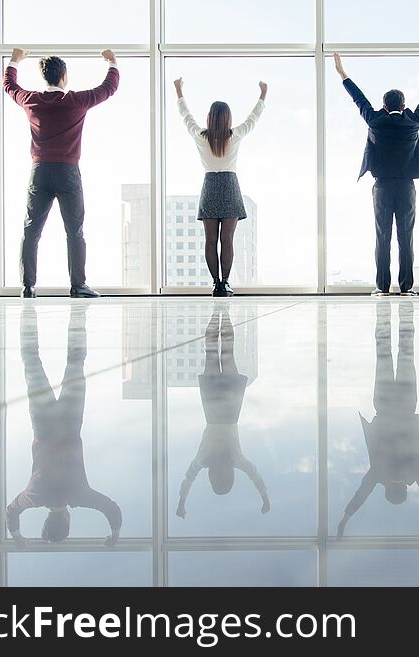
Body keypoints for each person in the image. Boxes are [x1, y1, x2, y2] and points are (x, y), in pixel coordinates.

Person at [4, 48, 120, 299]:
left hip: (41, 171)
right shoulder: (75, 101)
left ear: (45, 77)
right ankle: (78, 286)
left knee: (31, 230)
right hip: (67, 172)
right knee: (74, 230)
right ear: (64, 77)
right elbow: (108, 88)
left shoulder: (31, 100)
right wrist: (111, 62)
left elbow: (9, 86)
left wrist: (14, 59)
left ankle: (28, 287)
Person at [333, 53, 419, 297]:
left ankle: (383, 287)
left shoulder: (375, 120)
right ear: (404, 106)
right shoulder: (413, 121)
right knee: (406, 237)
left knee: (382, 236)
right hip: (407, 188)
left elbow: (359, 99)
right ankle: (406, 288)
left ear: (384, 106)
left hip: (382, 188)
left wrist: (343, 74)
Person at [6, 304, 122, 547]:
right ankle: (28, 305)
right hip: (43, 423)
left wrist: (115, 535)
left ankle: (77, 308)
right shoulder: (33, 497)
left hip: (70, 422)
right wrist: (17, 537)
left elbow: (112, 509)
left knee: (76, 361)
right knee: (31, 361)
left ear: (67, 521)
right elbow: (11, 512)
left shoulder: (79, 494)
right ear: (46, 521)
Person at [336, 300, 419, 538]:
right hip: (386, 402)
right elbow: (363, 493)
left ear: (400, 487)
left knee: (405, 353)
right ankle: (387, 313)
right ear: (391, 487)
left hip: (406, 402)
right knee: (385, 354)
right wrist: (344, 520)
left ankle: (403, 311)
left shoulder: (408, 473)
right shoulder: (380, 474)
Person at [174, 77, 267, 297]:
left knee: (210, 240)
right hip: (229, 186)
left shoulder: (200, 136)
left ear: (209, 118)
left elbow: (185, 116)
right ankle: (225, 283)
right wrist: (263, 94)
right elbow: (253, 119)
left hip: (210, 186)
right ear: (227, 119)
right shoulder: (234, 136)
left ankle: (215, 283)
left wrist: (179, 91)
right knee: (227, 240)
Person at [176, 305, 270, 518]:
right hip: (223, 409)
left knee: (218, 351)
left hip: (221, 410)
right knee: (224, 352)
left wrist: (182, 502)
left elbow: (187, 481)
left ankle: (219, 313)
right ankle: (221, 313)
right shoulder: (232, 460)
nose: (222, 473)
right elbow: (255, 476)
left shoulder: (209, 460)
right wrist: (264, 498)